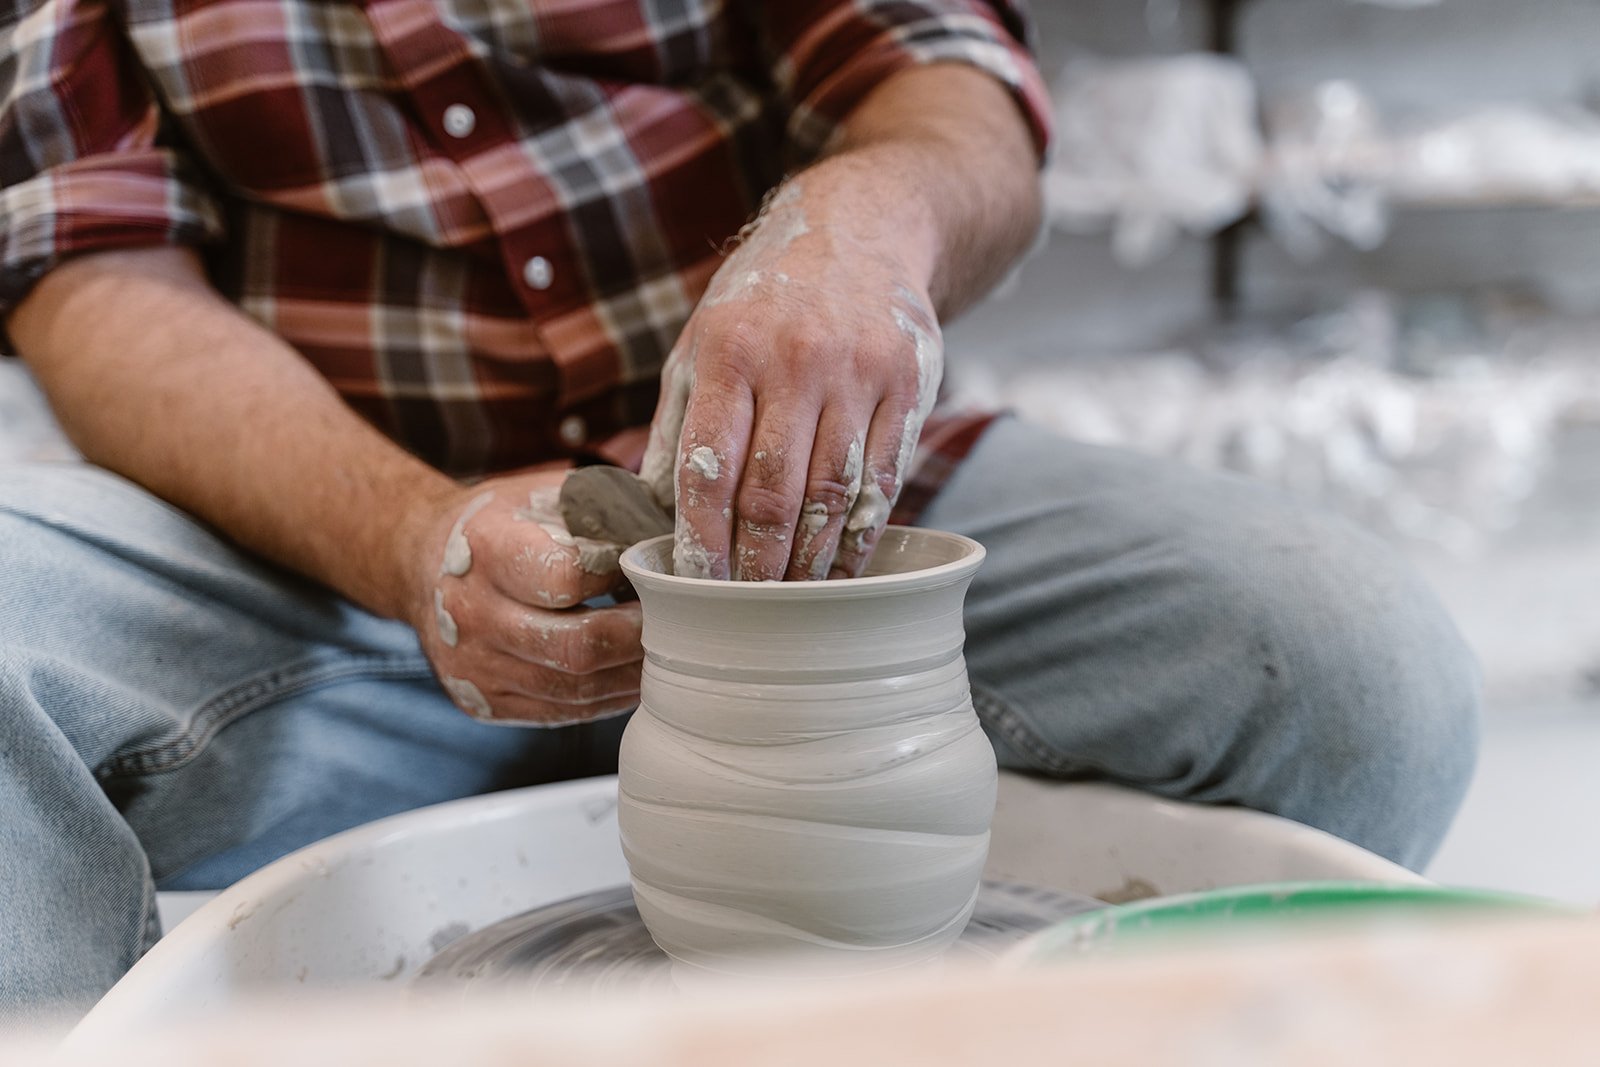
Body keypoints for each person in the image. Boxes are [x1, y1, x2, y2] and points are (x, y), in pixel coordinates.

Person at [0, 0, 1478, 1020]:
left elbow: (946, 82)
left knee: (1349, 665)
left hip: (810, 520)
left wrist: (865, 228)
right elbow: (94, 274)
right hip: (341, 539)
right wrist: (405, 538)